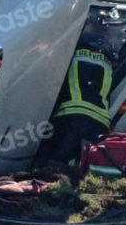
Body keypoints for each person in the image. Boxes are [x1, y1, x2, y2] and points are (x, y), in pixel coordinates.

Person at [33, 15, 116, 168]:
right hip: (100, 123)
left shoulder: (71, 57)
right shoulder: (108, 63)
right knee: (78, 167)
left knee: (52, 164)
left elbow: (51, 87)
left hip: (72, 117)